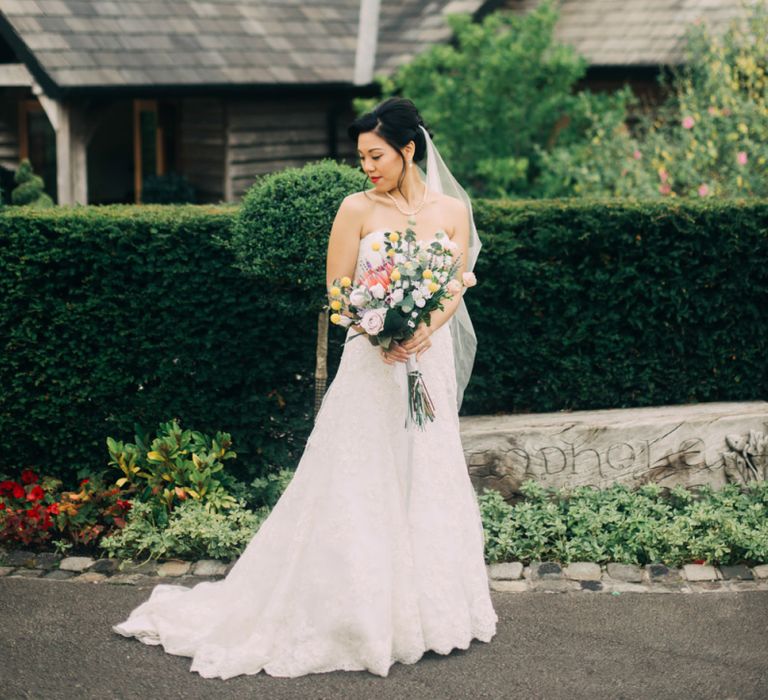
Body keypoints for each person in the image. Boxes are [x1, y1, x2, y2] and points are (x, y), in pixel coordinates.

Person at [112, 97, 498, 679]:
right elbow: (339, 291)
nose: (366, 166)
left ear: (408, 150)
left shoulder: (451, 211)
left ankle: (433, 611)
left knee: (428, 468)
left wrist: (422, 332)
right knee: (357, 476)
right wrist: (377, 328)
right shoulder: (354, 209)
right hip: (372, 362)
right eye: (361, 157)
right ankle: (354, 612)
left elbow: (455, 285)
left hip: (426, 360)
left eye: (376, 155)